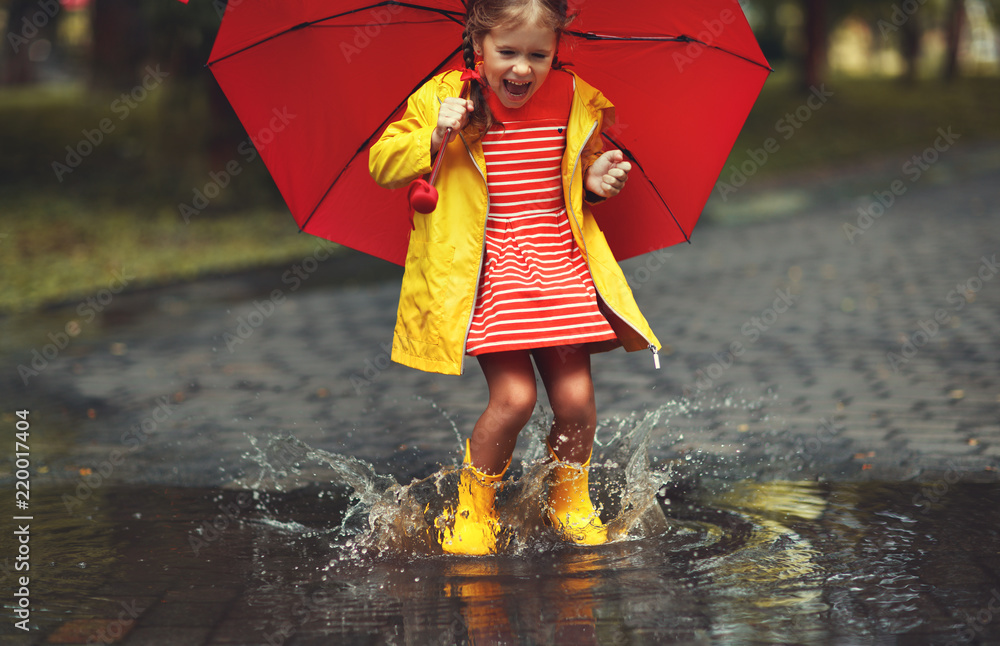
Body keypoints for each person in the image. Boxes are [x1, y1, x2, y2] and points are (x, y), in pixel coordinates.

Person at [369, 0, 660, 555]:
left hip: (558, 266)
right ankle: (474, 509)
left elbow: (575, 174)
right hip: (491, 272)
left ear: (556, 51)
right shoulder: (444, 98)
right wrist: (432, 136)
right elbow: (381, 164)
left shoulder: (574, 98)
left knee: (576, 401)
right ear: (478, 46)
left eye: (538, 55)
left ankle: (568, 497)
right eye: (507, 52)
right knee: (515, 399)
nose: (522, 69)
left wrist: (594, 179)